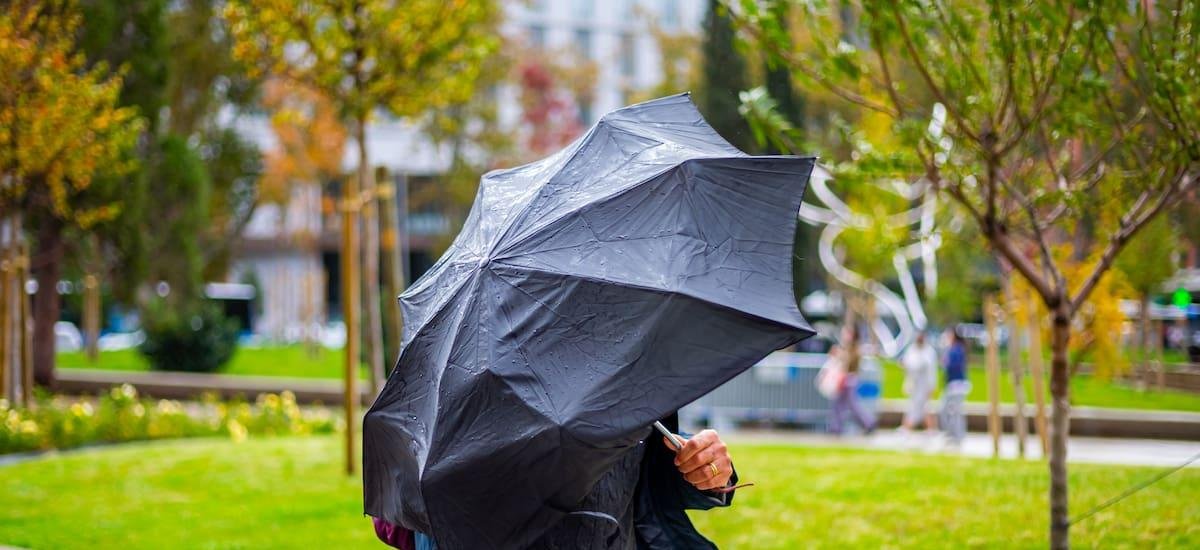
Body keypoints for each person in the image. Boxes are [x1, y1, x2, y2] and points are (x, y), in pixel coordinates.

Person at [380, 415, 740, 549]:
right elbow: (396, 515)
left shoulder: (630, 353)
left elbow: (648, 464)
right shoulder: (464, 373)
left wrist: (705, 467)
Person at [827, 325, 876, 435]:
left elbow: (850, 363)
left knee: (852, 405)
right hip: (845, 379)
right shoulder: (847, 348)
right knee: (839, 405)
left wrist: (841, 355)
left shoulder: (854, 349)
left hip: (849, 380)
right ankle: (836, 427)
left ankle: (868, 423)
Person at [899, 331, 938, 433]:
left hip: (924, 384)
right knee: (915, 406)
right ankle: (909, 427)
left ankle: (911, 427)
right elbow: (908, 364)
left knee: (923, 406)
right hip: (914, 384)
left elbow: (931, 371)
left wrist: (931, 387)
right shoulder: (912, 349)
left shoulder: (929, 352)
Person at [939, 328, 971, 446]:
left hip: (957, 386)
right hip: (953, 385)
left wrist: (945, 360)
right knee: (948, 410)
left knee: (954, 411)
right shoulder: (955, 349)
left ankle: (957, 436)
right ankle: (953, 434)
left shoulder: (956, 350)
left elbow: (951, 365)